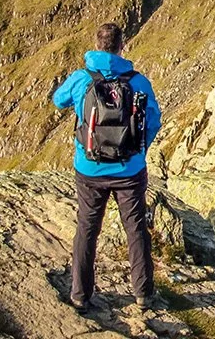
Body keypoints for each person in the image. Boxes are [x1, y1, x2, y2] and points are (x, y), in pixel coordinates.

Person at [52, 22, 162, 312]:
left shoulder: (81, 78)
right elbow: (153, 120)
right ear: (121, 45)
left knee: (87, 228)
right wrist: (138, 151)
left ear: (97, 44)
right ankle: (143, 293)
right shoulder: (138, 81)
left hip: (89, 168)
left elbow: (58, 100)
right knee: (136, 228)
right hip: (129, 171)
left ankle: (80, 295)